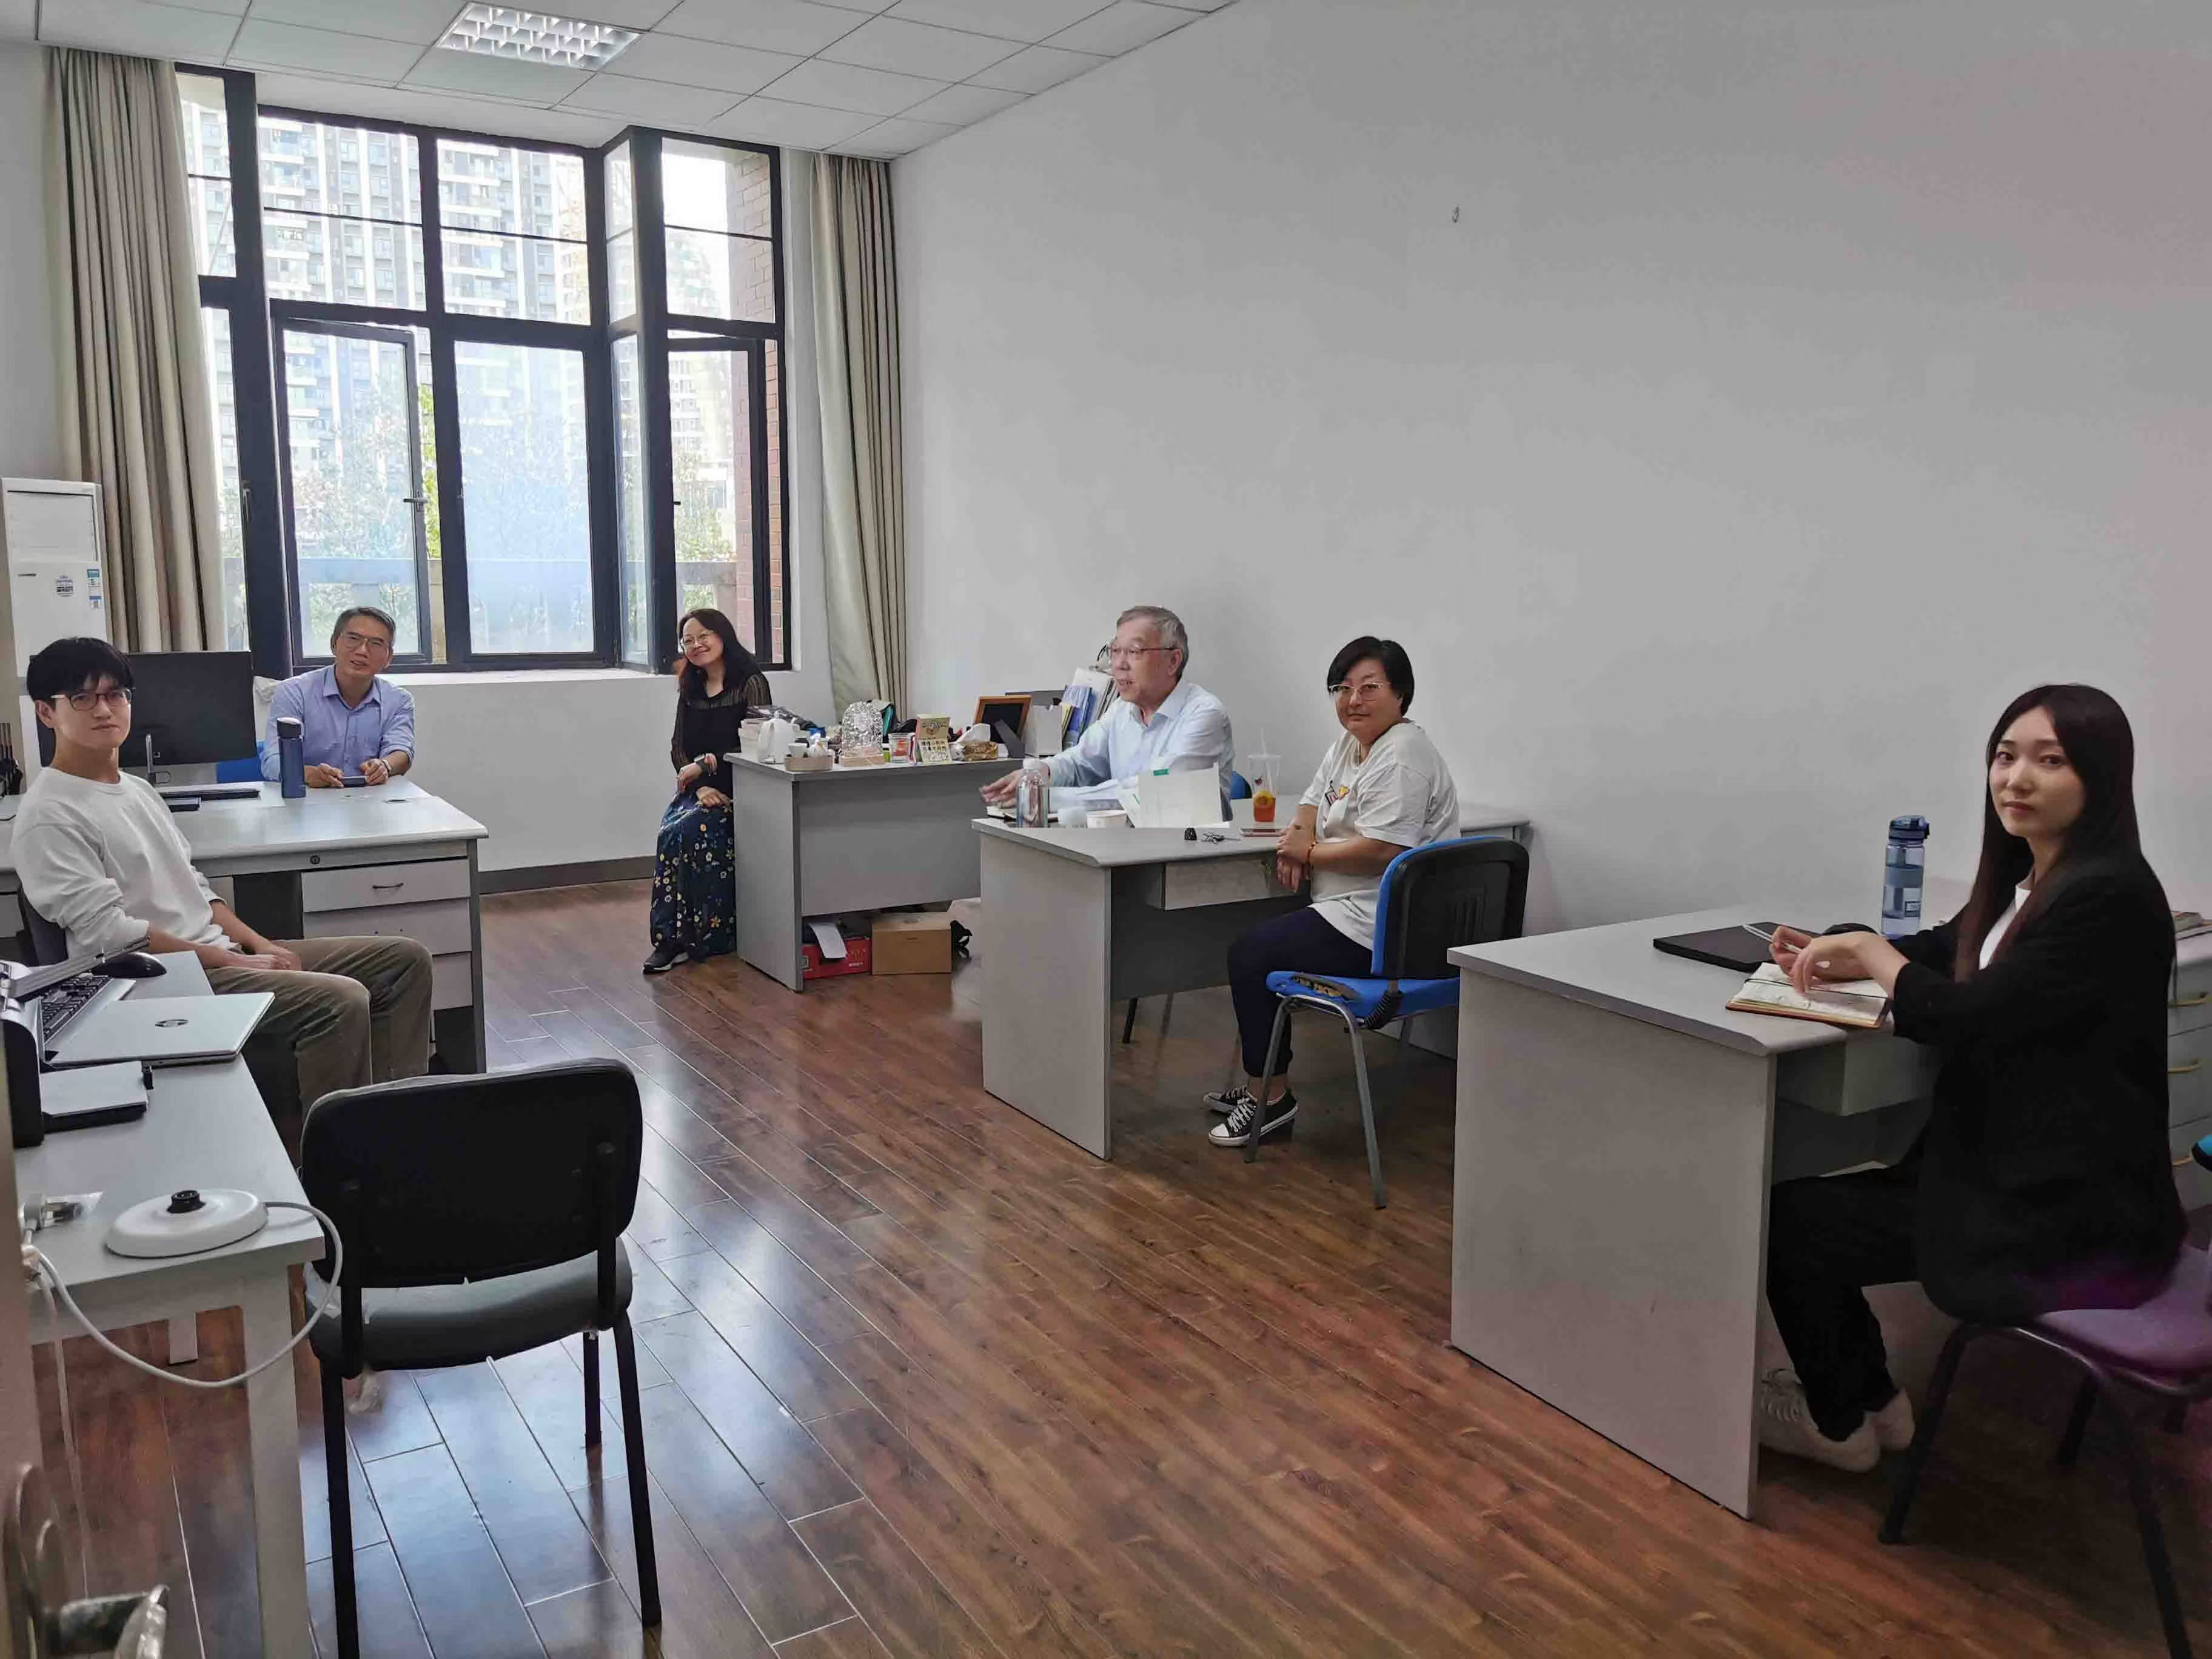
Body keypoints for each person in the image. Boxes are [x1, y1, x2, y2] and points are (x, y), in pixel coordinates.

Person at [1758, 683, 2182, 1473]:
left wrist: (1875, 958)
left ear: (2100, 777)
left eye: (2050, 761)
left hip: (2062, 1214)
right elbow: (1946, 949)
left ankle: (1838, 1419)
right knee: (1808, 1214)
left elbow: (1966, 1015)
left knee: (1795, 1222)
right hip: (2013, 1173)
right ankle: (1873, 1403)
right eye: (2005, 756)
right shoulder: (2033, 877)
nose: (2016, 778)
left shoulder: (2110, 896)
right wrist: (1844, 950)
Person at [16, 637, 435, 1118]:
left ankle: (396, 1121)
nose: (104, 709)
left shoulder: (136, 790)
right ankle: (335, 1152)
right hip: (155, 979)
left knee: (403, 960)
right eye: (82, 698)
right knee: (340, 1000)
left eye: (115, 695)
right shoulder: (51, 814)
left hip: (213, 956)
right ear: (46, 713)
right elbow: (111, 938)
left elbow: (195, 888)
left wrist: (258, 945)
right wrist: (231, 961)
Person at [1206, 637, 1459, 1149]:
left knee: (1250, 955)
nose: (1353, 700)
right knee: (1258, 945)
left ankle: (1270, 1098)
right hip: (1351, 910)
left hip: (1384, 929)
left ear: (1401, 694)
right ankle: (1265, 1083)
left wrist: (1309, 854)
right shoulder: (1351, 743)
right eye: (1343, 689)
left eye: (1369, 688)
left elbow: (1384, 850)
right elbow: (1309, 803)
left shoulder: (1402, 755)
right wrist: (1299, 841)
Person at [980, 606, 1233, 816]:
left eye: (1134, 652)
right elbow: (1081, 761)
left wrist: (1047, 799)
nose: (1119, 664)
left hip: (1190, 852)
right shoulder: (1122, 709)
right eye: (1115, 651)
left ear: (1173, 661)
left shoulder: (1204, 714)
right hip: (1126, 844)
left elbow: (1149, 794)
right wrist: (1040, 773)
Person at [646, 608, 771, 975]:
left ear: (723, 635)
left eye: (704, 636)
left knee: (689, 833)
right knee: (671, 834)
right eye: (688, 640)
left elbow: (757, 744)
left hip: (741, 787)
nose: (696, 645)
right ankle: (669, 939)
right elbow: (678, 748)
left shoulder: (751, 682)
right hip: (699, 792)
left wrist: (707, 766)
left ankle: (707, 935)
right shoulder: (690, 686)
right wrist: (700, 787)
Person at [258, 605, 416, 786]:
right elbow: (273, 760)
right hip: (308, 797)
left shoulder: (399, 701)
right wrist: (306, 774)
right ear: (334, 644)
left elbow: (402, 751)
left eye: (376, 644)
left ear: (389, 657)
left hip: (371, 797)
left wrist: (385, 766)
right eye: (353, 639)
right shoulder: (294, 692)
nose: (362, 651)